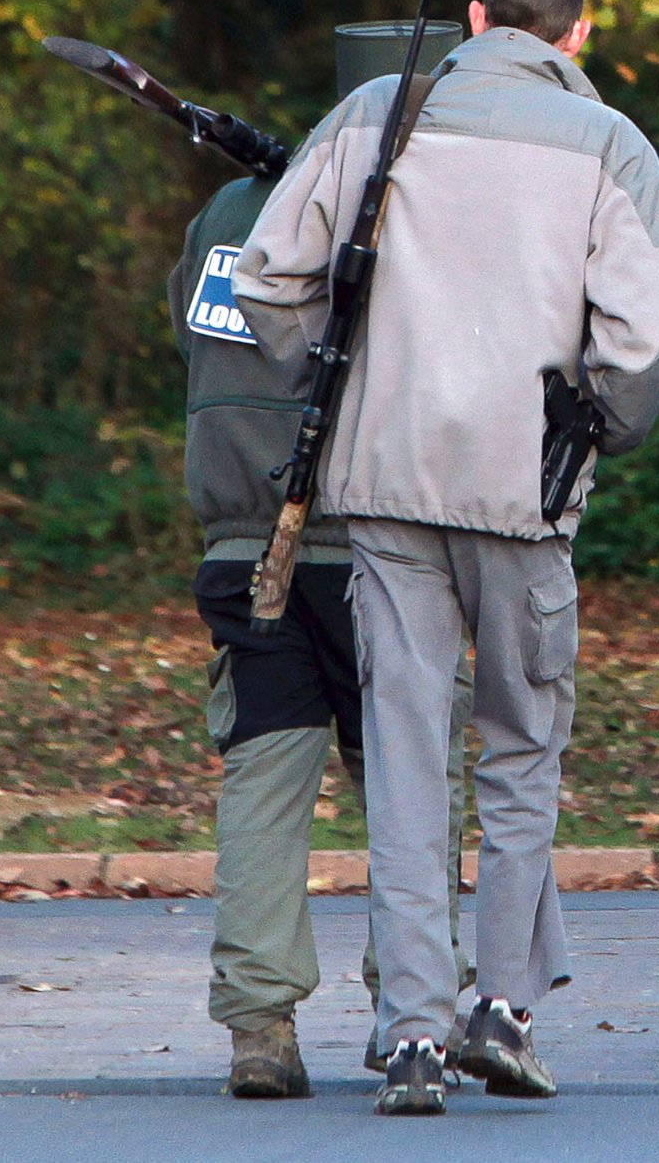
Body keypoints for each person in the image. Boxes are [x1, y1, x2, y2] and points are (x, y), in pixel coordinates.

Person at [234, 0, 659, 1115]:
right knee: (523, 747)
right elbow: (645, 339)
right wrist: (599, 424)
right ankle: (505, 1005)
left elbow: (268, 275)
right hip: (526, 497)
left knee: (402, 756)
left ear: (478, 21)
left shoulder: (377, 115)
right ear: (578, 35)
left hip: (384, 488)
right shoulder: (611, 145)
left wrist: (332, 381)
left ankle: (412, 1035)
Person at [170, 143, 475, 1099]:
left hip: (239, 546)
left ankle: (259, 1029)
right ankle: (414, 1012)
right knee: (407, 775)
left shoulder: (224, 210)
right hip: (373, 548)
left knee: (264, 776)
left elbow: (191, 335)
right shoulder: (385, 208)